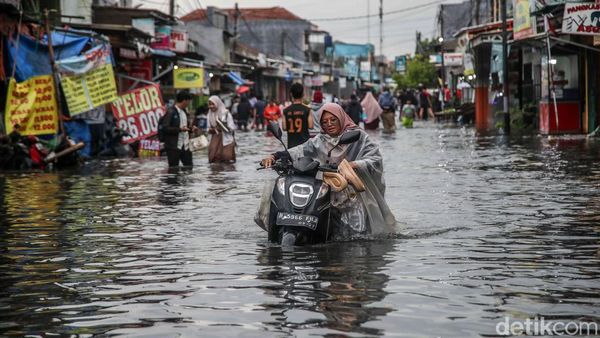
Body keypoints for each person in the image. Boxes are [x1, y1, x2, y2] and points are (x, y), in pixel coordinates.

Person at [260, 103, 396, 236]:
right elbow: (301, 150)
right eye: (324, 121)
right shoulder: (320, 139)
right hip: (325, 187)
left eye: (333, 120)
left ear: (341, 119)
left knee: (355, 234)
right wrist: (274, 156)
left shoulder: (358, 136)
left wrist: (354, 165)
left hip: (352, 192)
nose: (329, 124)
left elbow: (375, 159)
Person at [162, 90, 196, 167]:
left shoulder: (184, 112)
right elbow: (165, 128)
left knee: (189, 167)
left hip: (185, 146)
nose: (189, 103)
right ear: (184, 100)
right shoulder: (171, 111)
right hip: (173, 147)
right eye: (188, 101)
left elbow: (185, 128)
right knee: (173, 170)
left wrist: (191, 129)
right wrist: (179, 129)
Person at [282, 83, 314, 148]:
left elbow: (284, 128)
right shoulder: (307, 110)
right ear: (303, 94)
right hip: (305, 146)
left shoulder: (285, 110)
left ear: (291, 94)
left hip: (291, 146)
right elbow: (311, 126)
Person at [207, 95, 236, 163]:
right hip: (215, 138)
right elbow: (207, 128)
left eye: (213, 104)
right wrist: (212, 130)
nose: (211, 106)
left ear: (217, 103)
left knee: (227, 159)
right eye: (209, 104)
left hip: (226, 139)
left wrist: (222, 127)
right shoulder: (209, 114)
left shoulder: (225, 113)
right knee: (214, 159)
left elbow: (232, 127)